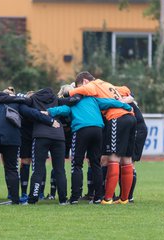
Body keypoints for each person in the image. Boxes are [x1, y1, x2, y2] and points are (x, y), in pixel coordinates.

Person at [46, 84, 132, 204]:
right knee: (95, 163)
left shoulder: (71, 103)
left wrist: (47, 111)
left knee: (77, 164)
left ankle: (75, 197)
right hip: (97, 130)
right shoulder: (93, 99)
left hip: (81, 130)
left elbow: (62, 110)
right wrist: (125, 106)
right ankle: (97, 197)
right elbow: (110, 102)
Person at [68, 71, 136, 204]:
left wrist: (70, 91)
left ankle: (108, 198)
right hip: (131, 117)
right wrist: (125, 99)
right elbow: (126, 90)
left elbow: (79, 91)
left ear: (85, 81)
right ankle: (124, 199)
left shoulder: (92, 85)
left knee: (113, 157)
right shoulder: (108, 85)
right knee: (127, 158)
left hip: (117, 117)